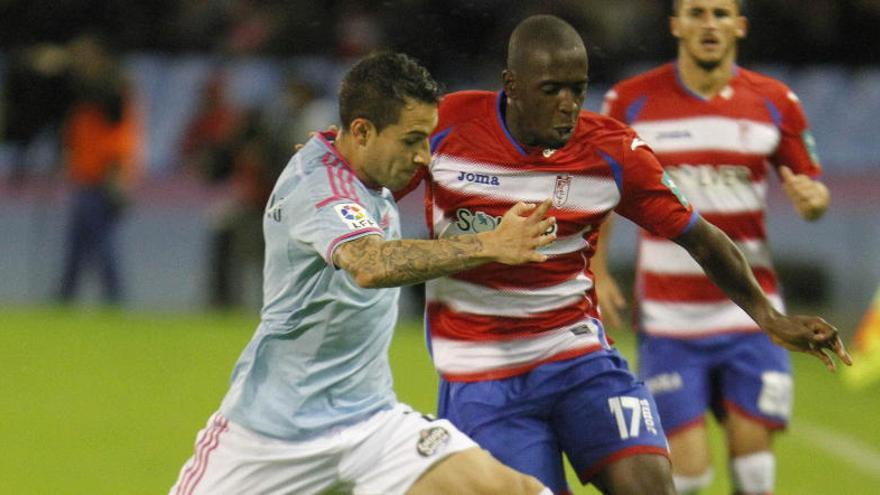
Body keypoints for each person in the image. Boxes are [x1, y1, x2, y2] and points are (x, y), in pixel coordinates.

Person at [394, 14, 850, 495]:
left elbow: (700, 236)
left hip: (579, 357)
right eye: (552, 90)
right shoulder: (446, 126)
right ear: (512, 85)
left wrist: (769, 318)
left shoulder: (612, 151)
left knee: (654, 486)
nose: (568, 105)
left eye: (578, 89)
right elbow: (371, 177)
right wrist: (330, 161)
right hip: (482, 374)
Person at [169, 52, 555, 495]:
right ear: (362, 131)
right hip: (272, 437)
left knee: (517, 491)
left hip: (368, 424)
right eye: (412, 140)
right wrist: (490, 245)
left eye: (427, 139)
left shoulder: (361, 165)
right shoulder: (321, 187)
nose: (424, 157)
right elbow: (370, 264)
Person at [594, 1, 834, 494]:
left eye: (721, 14)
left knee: (755, 473)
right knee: (690, 476)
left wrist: (814, 202)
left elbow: (812, 190)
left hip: (752, 315)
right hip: (669, 320)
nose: (709, 23)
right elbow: (600, 192)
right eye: (697, 12)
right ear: (676, 25)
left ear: (740, 27)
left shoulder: (775, 101)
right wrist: (597, 269)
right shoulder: (630, 101)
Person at [58, 33, 139, 304]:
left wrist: (118, 173)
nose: (78, 61)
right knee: (78, 246)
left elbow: (115, 122)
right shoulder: (88, 91)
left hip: (105, 175)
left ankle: (113, 299)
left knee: (102, 244)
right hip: (85, 175)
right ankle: (65, 299)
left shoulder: (112, 85)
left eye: (83, 55)